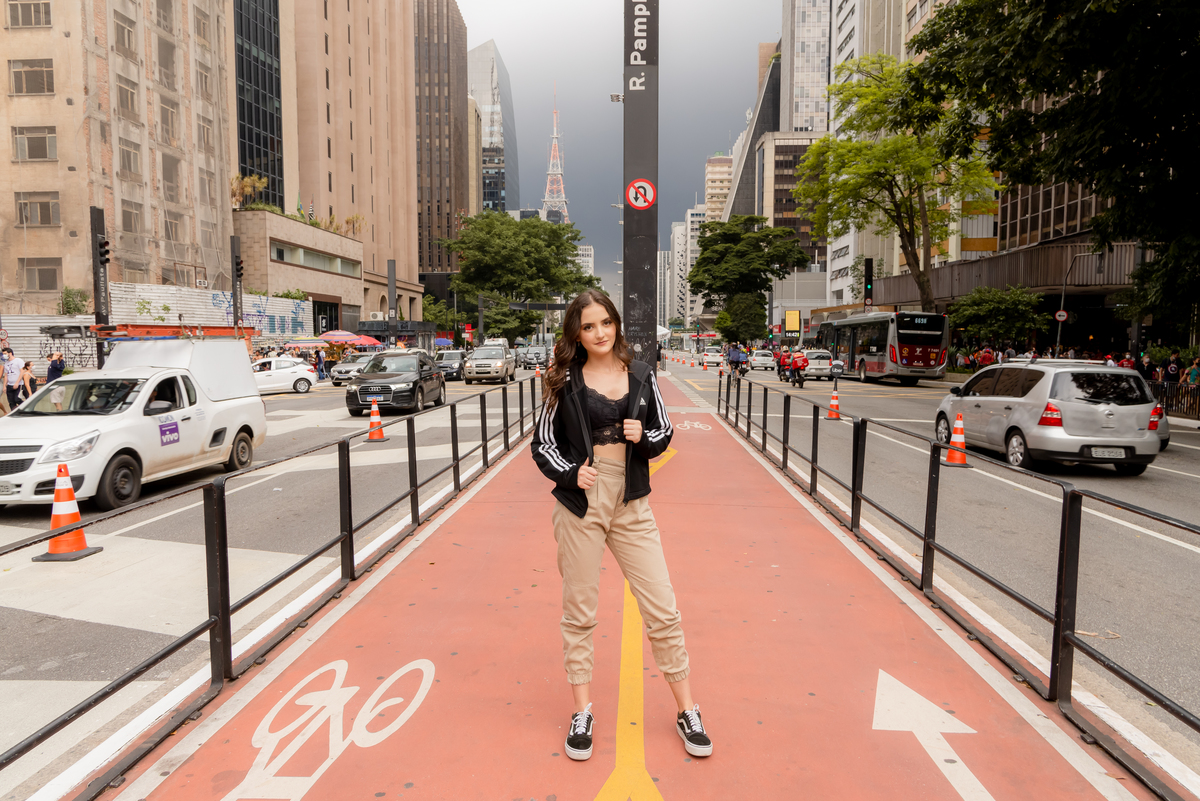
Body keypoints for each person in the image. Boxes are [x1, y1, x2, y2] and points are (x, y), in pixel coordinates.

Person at [531, 288, 712, 763]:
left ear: (616, 324)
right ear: (576, 332)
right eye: (587, 327)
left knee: (662, 607)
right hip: (581, 503)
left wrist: (643, 436)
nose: (598, 333)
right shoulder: (562, 379)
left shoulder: (641, 374)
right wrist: (572, 473)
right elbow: (543, 443)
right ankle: (582, 711)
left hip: (631, 500)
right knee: (580, 611)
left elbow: (664, 432)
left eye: (605, 323)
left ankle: (687, 708)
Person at [3, 348, 24, 412]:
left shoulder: (18, 360)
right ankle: (14, 413)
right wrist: (4, 386)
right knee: (11, 402)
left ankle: (25, 409)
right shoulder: (6, 363)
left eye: (5, 354)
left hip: (18, 384)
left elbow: (22, 371)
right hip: (9, 385)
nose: (4, 355)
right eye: (3, 354)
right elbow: (6, 375)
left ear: (10, 353)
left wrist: (17, 382)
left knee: (17, 399)